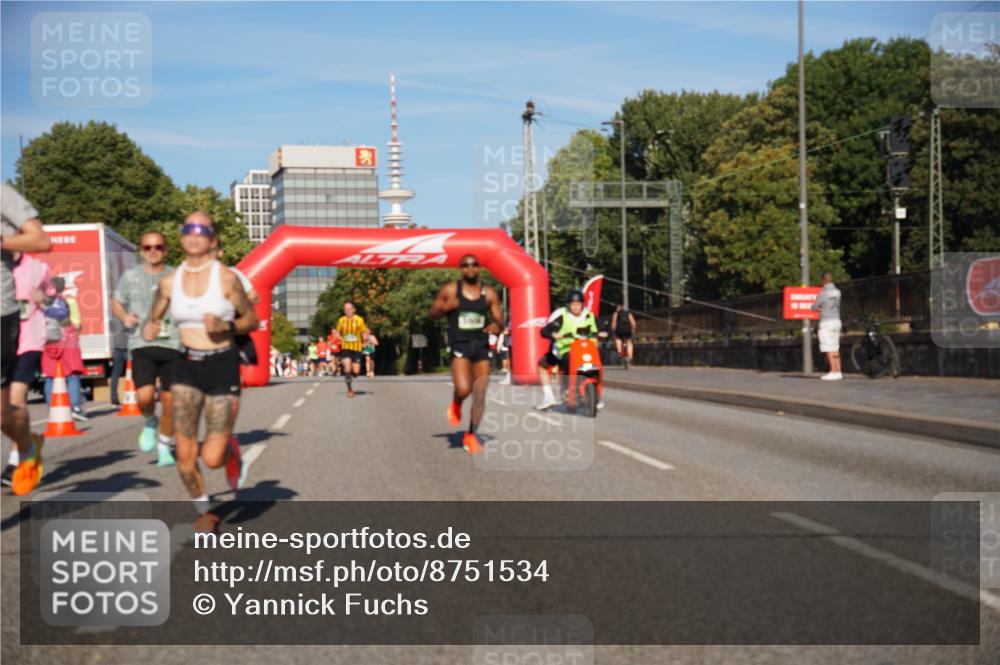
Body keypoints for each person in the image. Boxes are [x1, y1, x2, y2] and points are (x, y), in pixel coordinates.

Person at [144, 211, 258, 533]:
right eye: (187, 229)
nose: (193, 234)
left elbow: (253, 320)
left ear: (212, 239)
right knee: (184, 454)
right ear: (181, 237)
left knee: (211, 458)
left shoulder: (226, 278)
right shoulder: (169, 281)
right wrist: (150, 325)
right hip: (186, 366)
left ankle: (230, 451)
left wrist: (228, 325)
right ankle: (205, 511)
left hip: (222, 364)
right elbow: (155, 313)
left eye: (201, 230)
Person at [112, 231, 181, 466]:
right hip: (142, 344)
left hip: (173, 344)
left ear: (166, 249)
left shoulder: (176, 275)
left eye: (158, 247)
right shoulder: (130, 276)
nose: (153, 251)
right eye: (148, 247)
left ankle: (164, 446)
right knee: (144, 397)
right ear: (141, 250)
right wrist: (124, 316)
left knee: (171, 402)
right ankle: (150, 421)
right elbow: (116, 302)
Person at [2, 184, 52, 496]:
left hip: (25, 335)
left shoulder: (38, 268)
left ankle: (23, 448)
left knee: (11, 405)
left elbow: (41, 239)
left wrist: (43, 300)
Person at [429, 254, 504, 454]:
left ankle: (470, 435)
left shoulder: (488, 293)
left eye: (474, 265)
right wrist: (447, 307)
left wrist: (496, 326)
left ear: (479, 268)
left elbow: (500, 319)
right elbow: (432, 314)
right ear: (460, 269)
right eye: (465, 265)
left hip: (480, 345)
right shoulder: (451, 290)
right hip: (460, 344)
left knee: (480, 392)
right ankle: (456, 402)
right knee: (463, 389)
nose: (470, 268)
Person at [536, 289, 600, 411]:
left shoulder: (590, 316)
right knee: (542, 364)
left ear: (582, 304)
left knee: (597, 365)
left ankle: (595, 393)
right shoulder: (562, 317)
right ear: (569, 305)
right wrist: (553, 334)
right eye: (573, 305)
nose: (576, 307)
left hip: (587, 351)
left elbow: (604, 327)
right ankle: (549, 397)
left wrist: (605, 332)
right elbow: (545, 330)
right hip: (566, 351)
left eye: (578, 304)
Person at [42, 276, 87, 422]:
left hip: (48, 342)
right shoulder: (70, 301)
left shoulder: (43, 304)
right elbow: (77, 323)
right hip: (68, 341)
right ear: (64, 287)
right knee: (72, 375)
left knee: (50, 376)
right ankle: (75, 408)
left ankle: (52, 408)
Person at [812, 272, 843, 381]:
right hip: (837, 320)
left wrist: (821, 309)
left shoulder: (823, 293)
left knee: (828, 347)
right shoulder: (838, 292)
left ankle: (833, 371)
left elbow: (814, 306)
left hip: (826, 322)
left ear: (823, 280)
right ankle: (839, 371)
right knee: (836, 347)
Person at [336, 302, 367, 397]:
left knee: (356, 372)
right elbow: (337, 331)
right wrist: (339, 338)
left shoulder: (359, 320)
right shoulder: (341, 320)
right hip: (346, 348)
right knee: (347, 367)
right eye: (345, 309)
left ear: (354, 309)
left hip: (357, 348)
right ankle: (350, 389)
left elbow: (364, 331)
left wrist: (365, 339)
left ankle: (351, 374)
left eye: (349, 309)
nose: (347, 311)